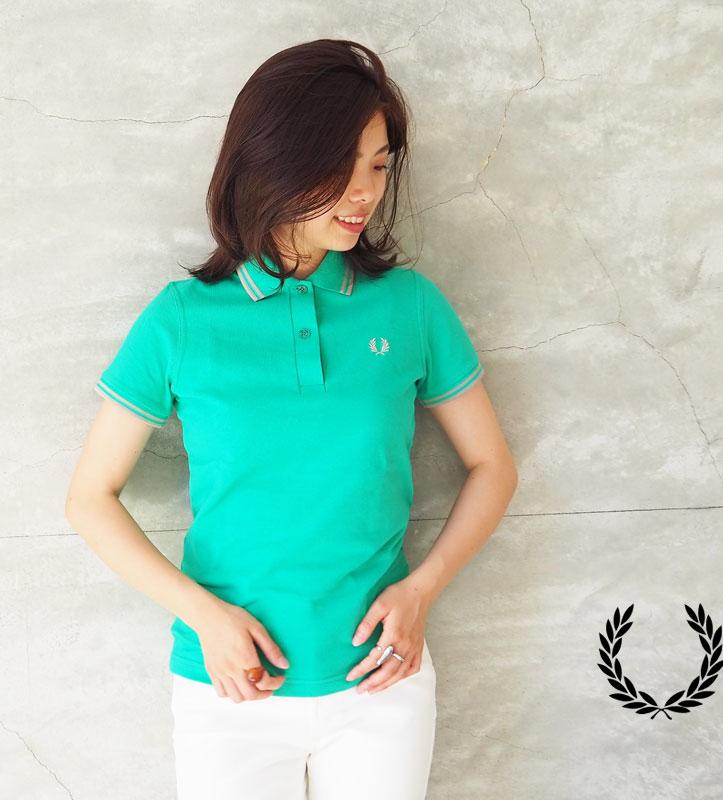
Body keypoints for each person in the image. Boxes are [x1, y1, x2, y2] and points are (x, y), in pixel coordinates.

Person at [64, 38, 518, 800]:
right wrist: (204, 618)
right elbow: (88, 498)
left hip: (381, 686)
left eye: (379, 165)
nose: (365, 192)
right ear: (274, 160)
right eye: (341, 166)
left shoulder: (410, 307)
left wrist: (422, 591)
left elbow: (493, 466)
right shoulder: (182, 320)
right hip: (228, 692)